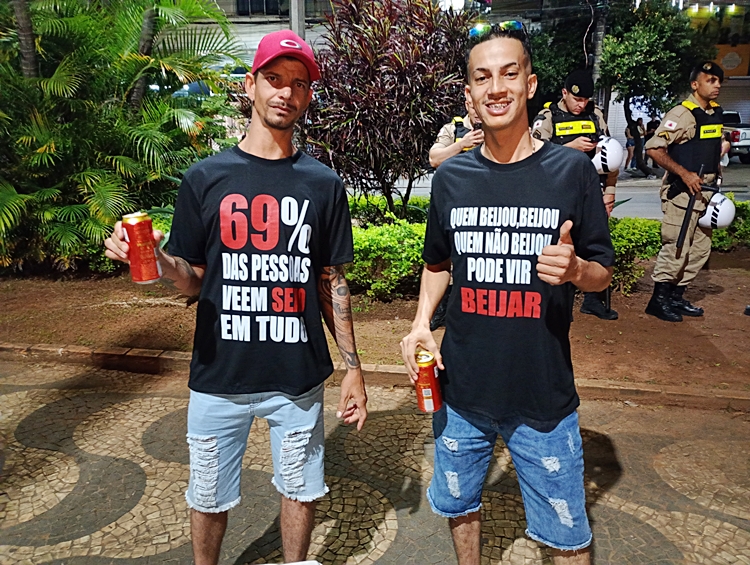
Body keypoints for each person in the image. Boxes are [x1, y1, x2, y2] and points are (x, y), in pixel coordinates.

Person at [104, 30, 368, 565]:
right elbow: (194, 278)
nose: (285, 92)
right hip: (219, 374)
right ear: (250, 85)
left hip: (296, 376)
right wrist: (158, 262)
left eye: (298, 83)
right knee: (207, 495)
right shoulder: (206, 177)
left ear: (308, 96)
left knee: (300, 488)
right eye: (273, 78)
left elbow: (330, 281)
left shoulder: (322, 184)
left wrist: (353, 368)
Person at [401, 22, 614, 565]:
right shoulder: (452, 179)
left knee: (567, 537)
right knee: (458, 506)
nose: (496, 88)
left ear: (530, 84)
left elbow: (603, 274)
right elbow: (437, 264)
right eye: (483, 77)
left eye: (509, 73)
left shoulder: (571, 171)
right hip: (461, 394)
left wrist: (576, 270)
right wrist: (421, 322)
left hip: (543, 396)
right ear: (469, 93)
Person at [531, 69, 619, 320]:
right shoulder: (547, 117)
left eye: (585, 100)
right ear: (564, 93)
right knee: (558, 251)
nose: (581, 105)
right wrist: (569, 148)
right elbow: (533, 156)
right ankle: (557, 304)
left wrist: (609, 192)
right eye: (576, 99)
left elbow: (611, 154)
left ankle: (594, 300)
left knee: (596, 250)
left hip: (590, 193)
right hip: (555, 194)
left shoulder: (596, 115)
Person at [644, 61, 724, 322]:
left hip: (706, 193)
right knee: (677, 247)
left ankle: (675, 297)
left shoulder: (714, 113)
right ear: (695, 84)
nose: (717, 85)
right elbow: (654, 148)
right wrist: (684, 173)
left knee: (699, 249)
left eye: (719, 81)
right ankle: (658, 301)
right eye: (710, 80)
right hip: (682, 195)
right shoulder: (681, 114)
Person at [429, 99, 484, 168]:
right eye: (474, 108)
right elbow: (434, 160)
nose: (478, 113)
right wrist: (461, 144)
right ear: (467, 105)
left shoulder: (496, 129)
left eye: (483, 108)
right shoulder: (452, 129)